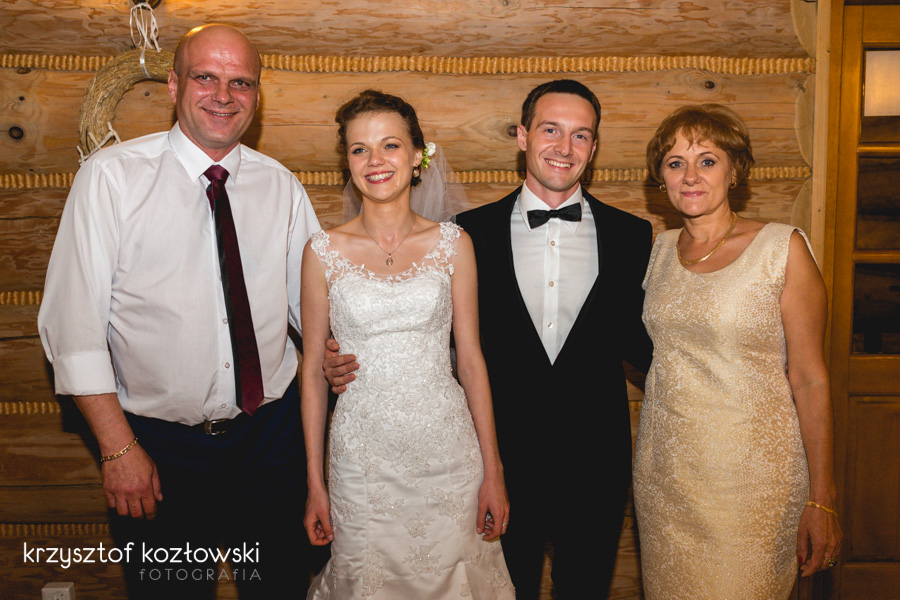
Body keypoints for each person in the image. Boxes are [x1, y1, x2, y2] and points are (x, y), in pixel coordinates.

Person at [325, 80, 654, 599]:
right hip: (495, 463)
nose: (564, 147)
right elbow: (429, 333)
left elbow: (648, 340)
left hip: (596, 464)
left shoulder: (632, 236)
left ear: (594, 147)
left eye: (580, 135)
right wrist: (340, 354)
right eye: (550, 130)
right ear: (523, 136)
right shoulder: (467, 233)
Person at [38, 24, 322, 599]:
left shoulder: (282, 187)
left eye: (241, 82)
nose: (224, 95)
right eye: (205, 77)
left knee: (280, 589)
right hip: (157, 449)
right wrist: (119, 449)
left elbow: (313, 308)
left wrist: (337, 350)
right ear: (173, 85)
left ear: (257, 94)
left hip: (271, 442)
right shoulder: (111, 179)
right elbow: (73, 328)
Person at [300, 89, 514, 599]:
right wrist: (314, 482)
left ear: (418, 155)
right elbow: (311, 373)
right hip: (361, 457)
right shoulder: (322, 252)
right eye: (360, 149)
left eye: (390, 145)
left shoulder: (454, 245)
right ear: (348, 162)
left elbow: (471, 361)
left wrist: (494, 470)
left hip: (448, 455)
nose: (375, 160)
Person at [633, 103, 843, 599]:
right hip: (664, 476)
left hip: (753, 483)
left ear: (734, 171)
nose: (690, 175)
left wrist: (823, 497)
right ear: (661, 178)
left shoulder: (782, 249)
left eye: (707, 160)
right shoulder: (658, 251)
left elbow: (811, 378)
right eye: (676, 163)